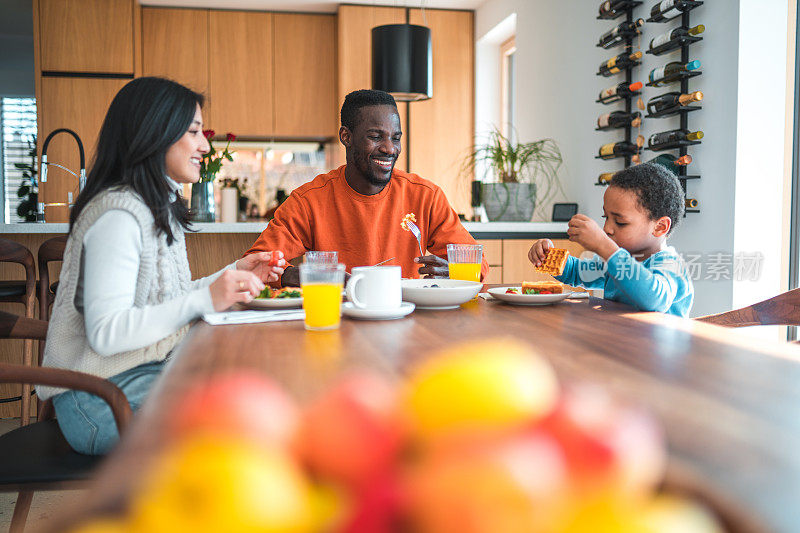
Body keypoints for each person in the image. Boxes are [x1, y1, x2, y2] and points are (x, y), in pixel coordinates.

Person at [39, 77, 286, 455]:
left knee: (251, 392)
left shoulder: (154, 205)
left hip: (130, 380)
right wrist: (205, 300)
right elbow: (107, 332)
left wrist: (234, 272)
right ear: (155, 134)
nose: (204, 145)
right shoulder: (118, 214)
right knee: (240, 422)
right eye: (193, 132)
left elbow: (167, 298)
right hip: (96, 400)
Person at [245, 89, 489, 286]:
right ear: (346, 137)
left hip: (407, 321)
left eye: (395, 138)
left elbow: (479, 266)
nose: (390, 149)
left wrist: (456, 273)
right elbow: (256, 263)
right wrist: (311, 276)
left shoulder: (425, 196)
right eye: (376, 136)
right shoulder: (309, 200)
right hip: (338, 319)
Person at [528, 163, 693, 316]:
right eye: (605, 217)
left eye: (620, 222)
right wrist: (547, 256)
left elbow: (654, 300)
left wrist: (605, 247)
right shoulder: (616, 260)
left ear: (660, 227)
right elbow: (576, 273)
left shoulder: (671, 265)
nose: (606, 228)